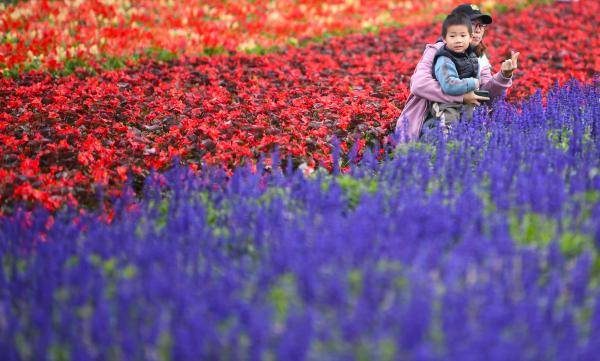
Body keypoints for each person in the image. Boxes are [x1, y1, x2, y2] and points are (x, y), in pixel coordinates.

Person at [396, 4, 519, 141]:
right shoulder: (437, 51)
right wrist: (461, 97)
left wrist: (504, 76)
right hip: (430, 120)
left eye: (482, 26)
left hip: (465, 121)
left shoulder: (480, 57)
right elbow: (419, 85)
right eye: (473, 24)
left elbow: (488, 98)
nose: (478, 30)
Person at [423, 13, 481, 134]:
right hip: (446, 104)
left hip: (466, 101)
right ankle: (445, 146)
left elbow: (476, 74)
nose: (458, 40)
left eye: (463, 35)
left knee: (473, 122)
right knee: (448, 123)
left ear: (470, 37)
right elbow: (449, 85)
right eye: (452, 36)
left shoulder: (470, 55)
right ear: (444, 39)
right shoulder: (444, 59)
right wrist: (473, 83)